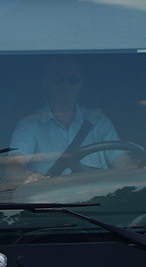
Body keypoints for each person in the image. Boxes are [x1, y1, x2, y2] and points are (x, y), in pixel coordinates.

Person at [9, 56, 134, 187]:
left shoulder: (99, 123)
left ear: (80, 83)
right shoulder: (29, 126)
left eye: (72, 80)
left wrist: (139, 171)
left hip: (99, 201)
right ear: (46, 82)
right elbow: (13, 167)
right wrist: (28, 176)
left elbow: (123, 162)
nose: (66, 85)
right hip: (49, 204)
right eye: (58, 79)